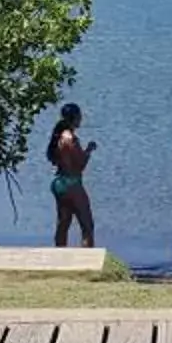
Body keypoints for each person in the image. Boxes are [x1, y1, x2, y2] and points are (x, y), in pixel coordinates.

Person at [47, 102, 97, 247]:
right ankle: (87, 261)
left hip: (59, 183)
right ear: (74, 118)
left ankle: (59, 258)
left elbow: (55, 159)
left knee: (63, 225)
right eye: (79, 116)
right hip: (72, 184)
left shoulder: (58, 137)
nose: (81, 118)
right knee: (87, 226)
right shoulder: (71, 139)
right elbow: (80, 164)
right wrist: (89, 150)